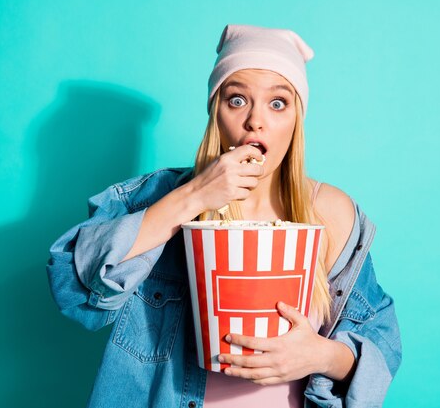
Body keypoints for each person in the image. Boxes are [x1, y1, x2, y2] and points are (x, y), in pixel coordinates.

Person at [47, 24, 401, 408]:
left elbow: (381, 338)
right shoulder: (162, 196)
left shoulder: (332, 212)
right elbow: (72, 289)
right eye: (237, 100)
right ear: (216, 112)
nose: (255, 121)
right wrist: (194, 196)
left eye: (277, 103)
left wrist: (321, 356)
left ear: (297, 118)